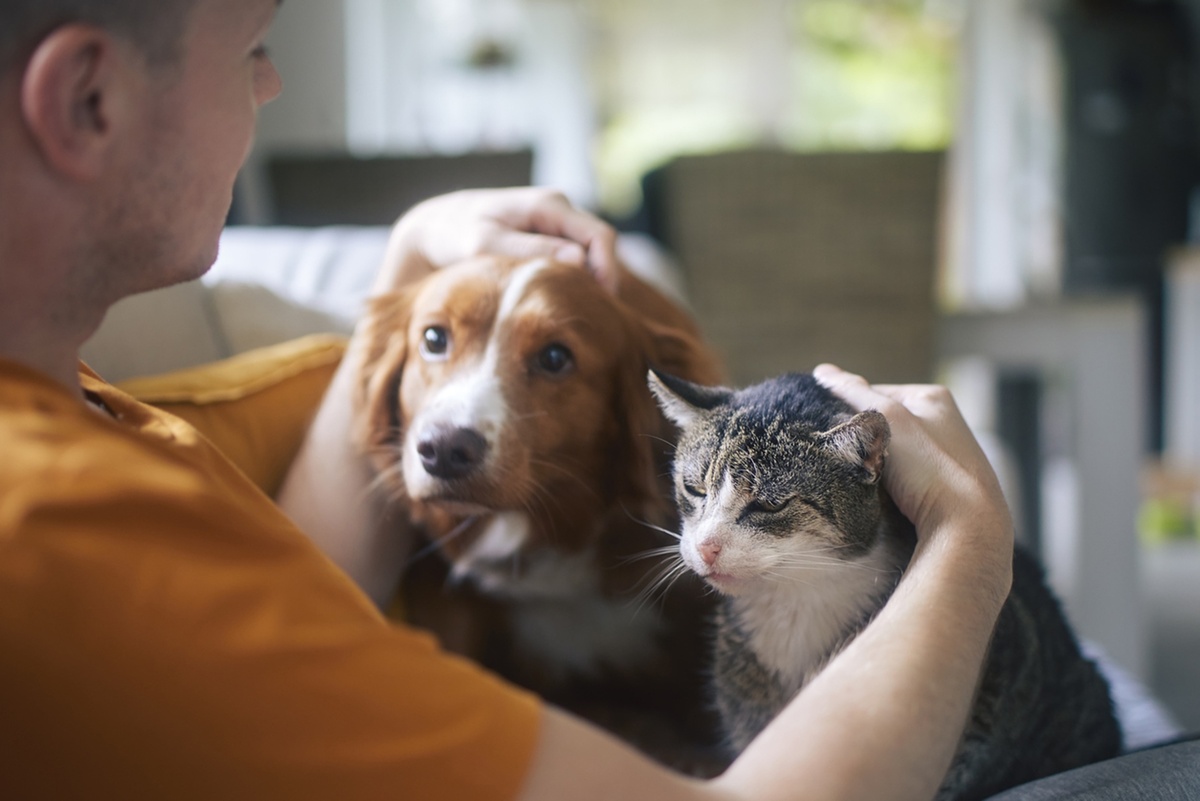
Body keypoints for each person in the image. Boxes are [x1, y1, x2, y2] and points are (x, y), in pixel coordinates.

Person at [0, 1, 1190, 799]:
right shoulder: (60, 539)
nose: (268, 79)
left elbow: (308, 579)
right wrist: (972, 544)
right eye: (250, 43)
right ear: (88, 99)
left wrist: (417, 256)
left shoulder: (74, 401)